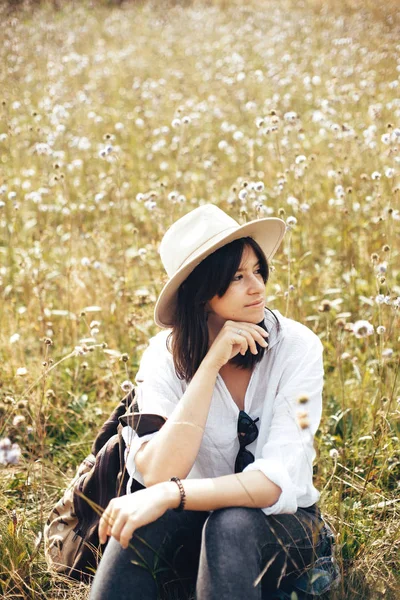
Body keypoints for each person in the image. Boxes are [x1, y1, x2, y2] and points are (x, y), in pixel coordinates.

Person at [89, 204, 336, 600]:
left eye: (258, 271)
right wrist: (208, 367)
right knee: (136, 529)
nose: (257, 286)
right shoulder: (162, 357)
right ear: (202, 292)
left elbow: (275, 483)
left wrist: (173, 494)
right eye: (238, 277)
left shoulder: (298, 348)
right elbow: (158, 471)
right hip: (191, 523)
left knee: (231, 524)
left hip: (284, 526)